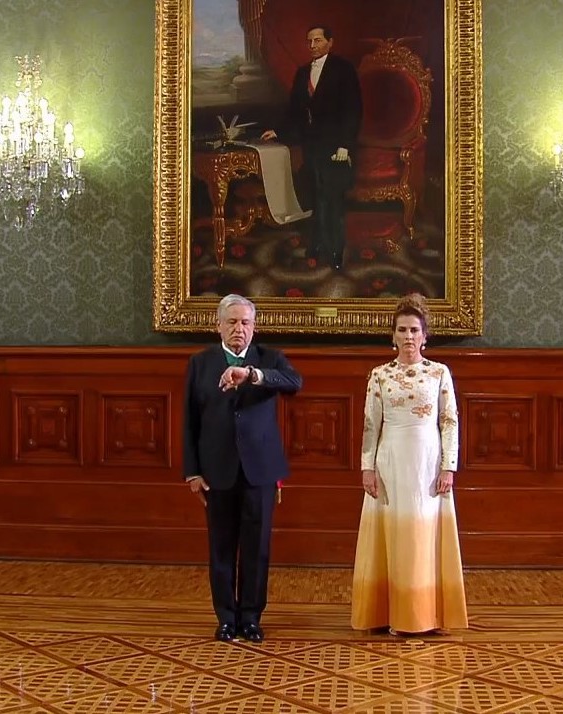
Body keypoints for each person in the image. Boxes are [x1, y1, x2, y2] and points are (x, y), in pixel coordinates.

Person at [184, 294, 303, 643]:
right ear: (218, 325)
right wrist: (192, 472)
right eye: (232, 322)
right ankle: (226, 618)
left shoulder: (269, 360)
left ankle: (251, 617)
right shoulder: (200, 363)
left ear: (254, 327)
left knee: (256, 548)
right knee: (221, 547)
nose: (239, 329)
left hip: (260, 473)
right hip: (216, 471)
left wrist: (251, 375)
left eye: (246, 323)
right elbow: (189, 421)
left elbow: (295, 383)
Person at [351, 293, 468, 635]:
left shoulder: (439, 373)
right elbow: (371, 424)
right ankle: (386, 612)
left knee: (422, 534)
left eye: (414, 330)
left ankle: (422, 614)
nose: (407, 337)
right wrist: (367, 467)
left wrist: (449, 466)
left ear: (425, 335)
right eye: (401, 330)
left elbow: (449, 421)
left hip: (427, 462)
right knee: (391, 532)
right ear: (392, 335)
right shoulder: (379, 376)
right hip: (390, 460)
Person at [260, 24, 362, 270]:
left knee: (333, 200)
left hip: (336, 147)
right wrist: (279, 131)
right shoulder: (302, 72)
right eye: (310, 41)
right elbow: (294, 110)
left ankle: (336, 251)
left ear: (330, 42)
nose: (313, 45)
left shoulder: (344, 69)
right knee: (316, 198)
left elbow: (353, 110)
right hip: (312, 146)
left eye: (318, 40)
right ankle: (316, 246)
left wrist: (344, 146)